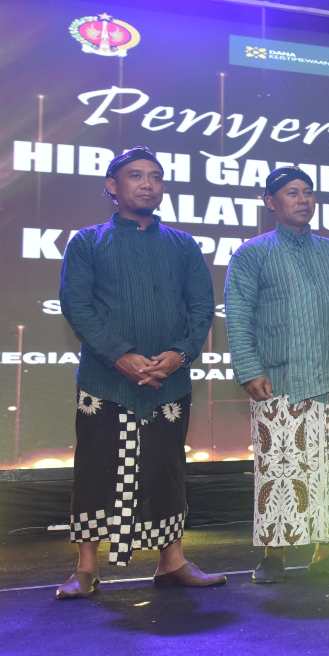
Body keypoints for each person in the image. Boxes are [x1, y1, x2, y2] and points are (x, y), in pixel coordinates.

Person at [56, 146, 226, 599]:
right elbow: (78, 306)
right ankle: (87, 568)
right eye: (136, 176)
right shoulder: (87, 242)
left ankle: (172, 563)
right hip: (105, 381)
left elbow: (200, 308)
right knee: (95, 470)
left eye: (155, 176)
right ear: (112, 187)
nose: (147, 183)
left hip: (169, 381)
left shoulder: (183, 245)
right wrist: (122, 356)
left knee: (167, 469)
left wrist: (178, 354)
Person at [225, 166, 329, 583]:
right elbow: (238, 315)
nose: (303, 199)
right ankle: (274, 556)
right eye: (292, 193)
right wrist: (249, 369)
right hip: (279, 379)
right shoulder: (252, 253)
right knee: (280, 471)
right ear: (270, 202)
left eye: (308, 192)